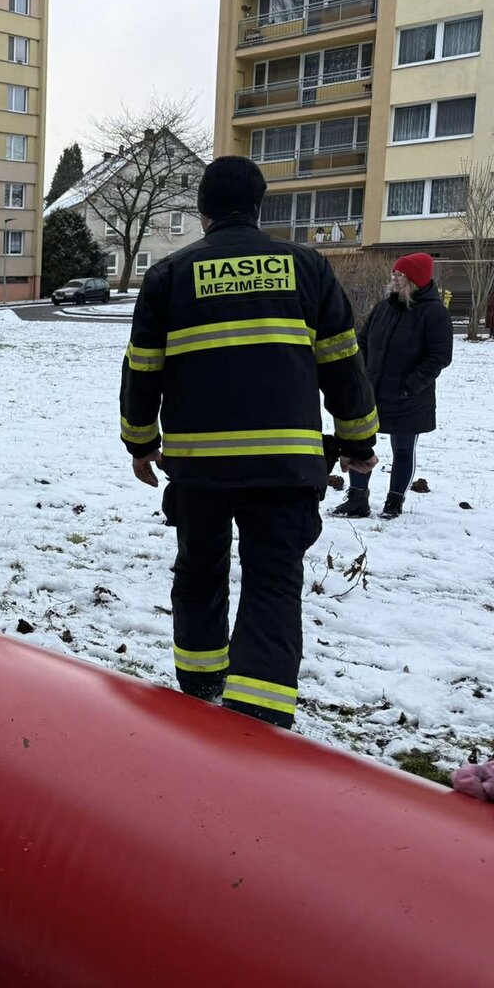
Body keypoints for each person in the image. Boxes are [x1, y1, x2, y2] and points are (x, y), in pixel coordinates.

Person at [120, 156, 378, 730]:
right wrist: (358, 440)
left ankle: (200, 681)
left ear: (203, 211)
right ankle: (259, 711)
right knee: (274, 579)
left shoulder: (170, 275)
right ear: (260, 205)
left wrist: (140, 442)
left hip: (199, 466)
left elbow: (142, 368)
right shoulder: (307, 267)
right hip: (284, 466)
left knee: (200, 569)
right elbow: (342, 364)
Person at [330, 252, 452, 520]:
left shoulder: (434, 313)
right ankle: (357, 499)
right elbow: (361, 342)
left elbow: (439, 357)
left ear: (415, 280)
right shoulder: (384, 307)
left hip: (410, 397)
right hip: (372, 391)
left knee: (404, 449)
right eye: (394, 274)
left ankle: (394, 501)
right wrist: (358, 372)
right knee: (362, 442)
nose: (394, 279)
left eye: (400, 275)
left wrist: (409, 386)